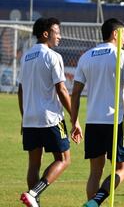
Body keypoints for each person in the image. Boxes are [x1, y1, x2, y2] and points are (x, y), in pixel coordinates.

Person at [71, 18, 124, 207]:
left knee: (95, 172)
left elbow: (75, 93)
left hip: (92, 121)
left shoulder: (86, 56)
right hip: (115, 121)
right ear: (115, 34)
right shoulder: (122, 55)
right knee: (122, 169)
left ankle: (91, 203)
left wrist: (74, 121)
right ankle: (97, 201)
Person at [18, 17, 77, 207]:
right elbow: (61, 89)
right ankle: (33, 194)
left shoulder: (26, 56)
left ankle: (34, 202)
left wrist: (23, 116)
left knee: (34, 163)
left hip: (29, 119)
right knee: (64, 159)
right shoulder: (53, 56)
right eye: (57, 32)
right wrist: (74, 117)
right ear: (46, 34)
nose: (59, 36)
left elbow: (21, 90)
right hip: (50, 118)